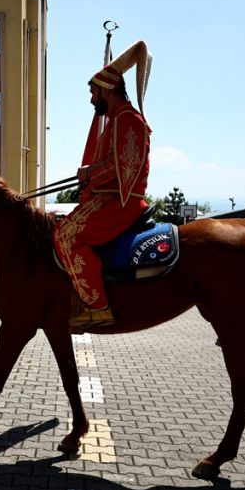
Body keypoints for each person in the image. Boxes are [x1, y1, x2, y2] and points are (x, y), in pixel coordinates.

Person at [53, 41, 152, 332]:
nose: (91, 99)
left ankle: (98, 307)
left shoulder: (128, 120)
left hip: (121, 203)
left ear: (107, 90)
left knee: (66, 236)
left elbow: (126, 167)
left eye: (93, 93)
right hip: (107, 198)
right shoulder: (115, 121)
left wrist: (89, 174)